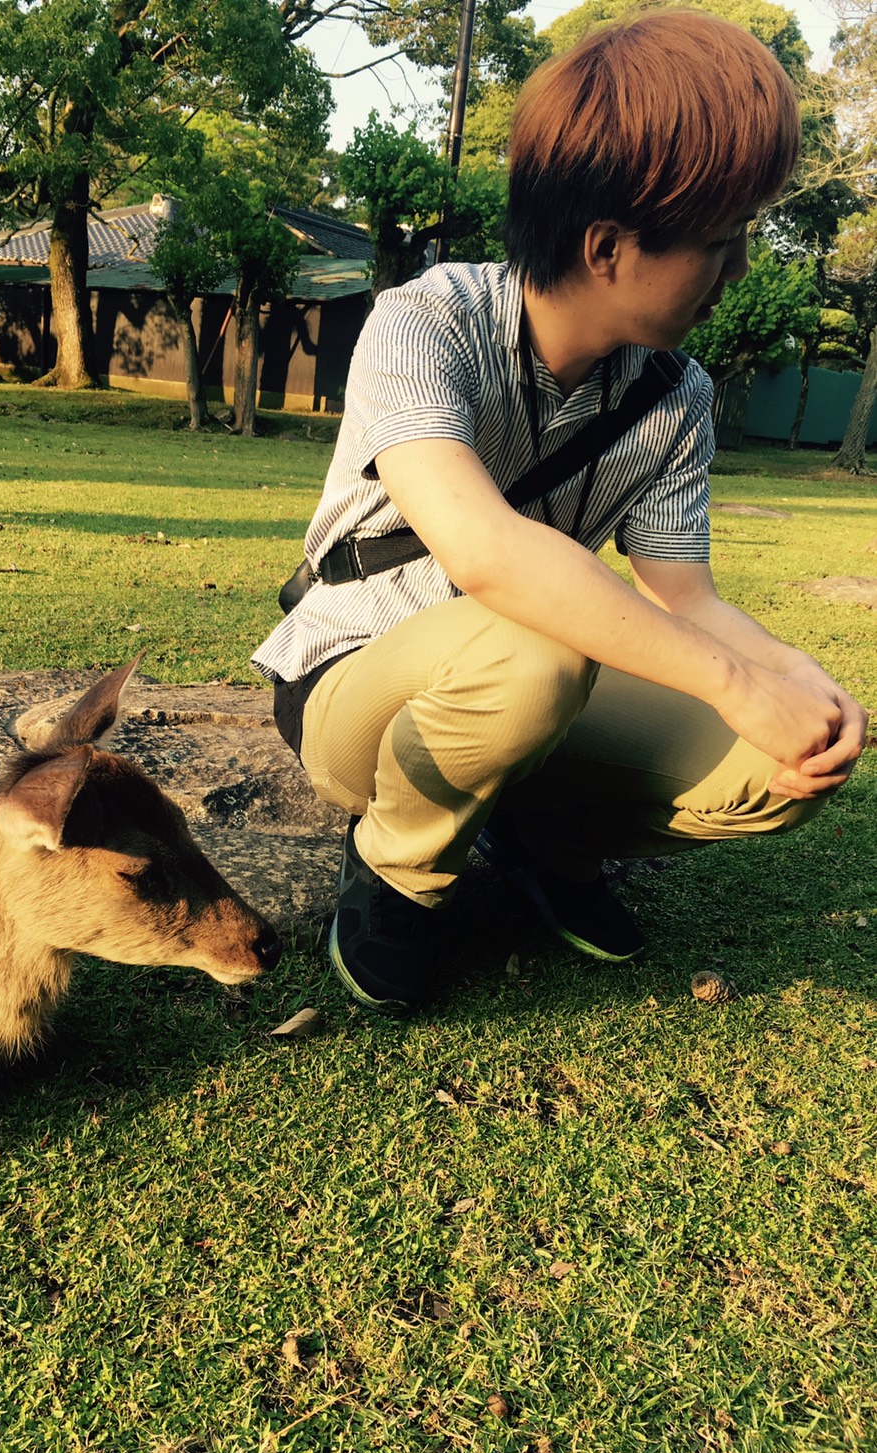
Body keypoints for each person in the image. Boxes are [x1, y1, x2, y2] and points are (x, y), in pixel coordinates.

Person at [251, 9, 868, 1016]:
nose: (740, 270)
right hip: (354, 679)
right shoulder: (424, 323)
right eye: (722, 242)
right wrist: (731, 681)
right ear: (608, 248)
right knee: (534, 650)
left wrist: (790, 675)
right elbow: (484, 552)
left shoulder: (675, 393)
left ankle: (546, 840)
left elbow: (686, 598)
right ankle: (398, 866)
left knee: (778, 762)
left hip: (528, 684)